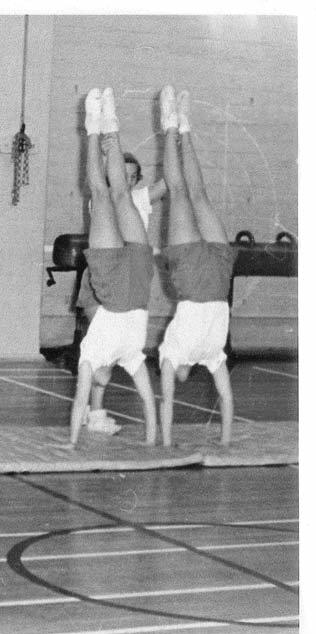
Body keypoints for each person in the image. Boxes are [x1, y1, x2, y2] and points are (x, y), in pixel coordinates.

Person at [68, 87, 157, 448]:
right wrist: (152, 440)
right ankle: (111, 124)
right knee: (120, 194)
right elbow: (149, 402)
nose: (101, 379)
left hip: (110, 276)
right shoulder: (132, 358)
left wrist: (72, 444)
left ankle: (93, 127)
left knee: (101, 192)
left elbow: (78, 402)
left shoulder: (89, 357)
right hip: (136, 275)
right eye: (103, 380)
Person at [157, 85, 237, 447]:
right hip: (218, 276)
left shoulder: (171, 355)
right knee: (198, 194)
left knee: (178, 192)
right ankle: (184, 125)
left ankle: (169, 125)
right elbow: (228, 399)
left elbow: (168, 398)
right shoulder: (213, 357)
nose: (180, 376)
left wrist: (168, 440)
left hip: (191, 276)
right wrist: (224, 441)